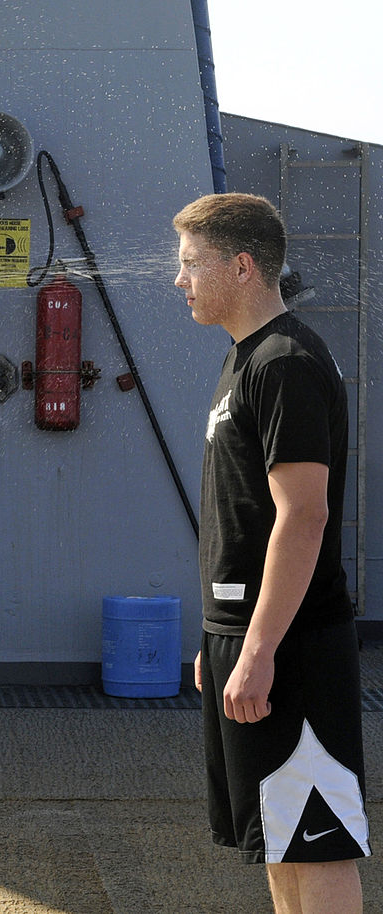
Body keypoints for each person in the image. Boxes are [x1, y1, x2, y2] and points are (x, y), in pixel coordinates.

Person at [173, 193, 370, 913]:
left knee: (315, 843)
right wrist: (223, 640)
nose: (180, 278)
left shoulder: (285, 362)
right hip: (248, 640)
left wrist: (257, 649)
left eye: (193, 262)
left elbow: (304, 517)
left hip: (294, 650)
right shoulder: (243, 361)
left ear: (244, 266)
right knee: (279, 843)